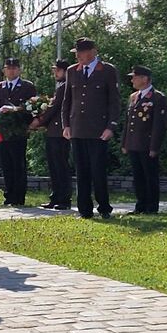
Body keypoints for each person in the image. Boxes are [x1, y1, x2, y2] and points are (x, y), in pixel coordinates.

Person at [61, 38, 120, 218]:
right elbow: (67, 100)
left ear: (93, 52)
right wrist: (66, 125)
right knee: (81, 171)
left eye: (81, 52)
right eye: (77, 53)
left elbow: (114, 101)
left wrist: (110, 126)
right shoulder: (72, 71)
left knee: (98, 170)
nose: (78, 56)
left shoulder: (107, 70)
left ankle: (104, 207)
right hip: (77, 128)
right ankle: (84, 209)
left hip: (98, 130)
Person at [0, 58, 36, 206]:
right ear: (4, 70)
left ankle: (19, 197)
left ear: (19, 70)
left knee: (18, 163)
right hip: (3, 130)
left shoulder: (27, 86)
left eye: (14, 68)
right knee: (6, 163)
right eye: (8, 68)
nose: (11, 71)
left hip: (19, 130)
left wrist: (16, 110)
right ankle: (9, 196)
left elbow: (32, 106)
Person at [120, 65, 167, 214]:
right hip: (134, 143)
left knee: (150, 177)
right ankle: (140, 205)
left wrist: (154, 147)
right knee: (138, 177)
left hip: (147, 144)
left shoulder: (157, 97)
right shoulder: (133, 97)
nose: (132, 80)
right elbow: (128, 122)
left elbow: (159, 125)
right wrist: (125, 142)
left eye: (134, 77)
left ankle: (151, 207)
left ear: (145, 79)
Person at [29, 58, 73, 210]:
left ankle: (64, 199)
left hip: (60, 132)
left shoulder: (65, 87)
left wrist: (38, 121)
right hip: (54, 131)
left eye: (58, 70)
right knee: (54, 166)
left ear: (66, 72)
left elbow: (53, 108)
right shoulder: (61, 87)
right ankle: (56, 197)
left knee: (60, 166)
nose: (55, 73)